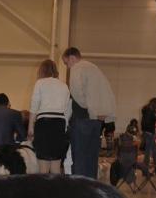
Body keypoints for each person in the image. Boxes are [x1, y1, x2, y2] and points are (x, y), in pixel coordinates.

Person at [62, 47, 116, 179]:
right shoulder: (94, 68)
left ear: (72, 58)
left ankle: (80, 189)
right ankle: (91, 185)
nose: (68, 67)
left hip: (82, 119)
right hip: (96, 121)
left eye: (66, 63)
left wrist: (86, 106)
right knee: (92, 157)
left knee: (80, 157)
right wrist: (99, 111)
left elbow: (76, 92)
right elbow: (108, 94)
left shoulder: (77, 68)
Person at [27, 59, 71, 174]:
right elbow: (67, 110)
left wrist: (30, 128)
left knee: (43, 167)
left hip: (44, 124)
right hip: (59, 124)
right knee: (56, 166)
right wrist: (64, 128)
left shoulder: (40, 83)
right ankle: (57, 191)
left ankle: (43, 191)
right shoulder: (64, 86)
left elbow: (34, 106)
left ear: (41, 71)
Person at [141, 97, 156, 175]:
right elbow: (147, 123)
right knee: (148, 153)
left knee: (155, 152)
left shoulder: (151, 111)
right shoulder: (148, 111)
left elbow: (155, 119)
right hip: (149, 134)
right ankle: (145, 171)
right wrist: (155, 119)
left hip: (150, 133)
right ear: (155, 104)